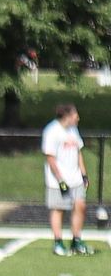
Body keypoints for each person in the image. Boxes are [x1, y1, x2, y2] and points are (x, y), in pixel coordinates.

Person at [43, 102, 91, 256]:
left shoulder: (73, 130)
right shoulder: (52, 131)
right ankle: (58, 243)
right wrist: (60, 180)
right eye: (75, 114)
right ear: (67, 116)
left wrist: (84, 174)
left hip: (75, 177)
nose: (78, 117)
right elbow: (50, 157)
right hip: (59, 180)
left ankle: (76, 240)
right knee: (59, 209)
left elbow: (78, 152)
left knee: (80, 206)